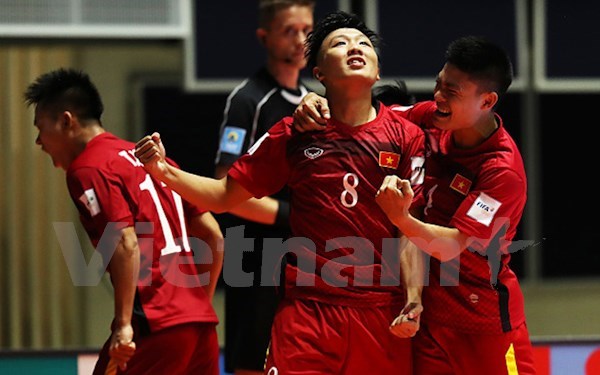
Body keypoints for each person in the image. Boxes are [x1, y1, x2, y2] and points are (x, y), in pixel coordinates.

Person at [135, 11, 425, 375]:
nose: (355, 47)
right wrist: (163, 171)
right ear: (318, 73)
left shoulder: (407, 137)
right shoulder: (292, 134)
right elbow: (224, 194)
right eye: (340, 43)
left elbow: (410, 231)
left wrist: (414, 298)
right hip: (308, 313)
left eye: (364, 44)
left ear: (378, 71)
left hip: (381, 314)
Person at [293, 35, 536, 374]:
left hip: (484, 323)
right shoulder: (430, 119)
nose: (438, 97)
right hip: (429, 321)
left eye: (452, 92)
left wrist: (401, 218)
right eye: (439, 84)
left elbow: (453, 245)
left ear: (487, 101)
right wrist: (316, 104)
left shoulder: (502, 171)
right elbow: (364, 117)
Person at [25, 68, 224, 375]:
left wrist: (123, 326)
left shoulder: (88, 168)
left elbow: (125, 242)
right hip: (201, 328)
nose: (39, 141)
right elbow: (214, 236)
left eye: (41, 128)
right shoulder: (157, 161)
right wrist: (198, 306)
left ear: (66, 121)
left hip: (155, 327)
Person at [212, 1, 315, 373]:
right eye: (290, 30)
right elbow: (225, 187)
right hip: (255, 255)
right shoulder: (247, 101)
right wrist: (290, 215)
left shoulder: (314, 103)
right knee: (252, 361)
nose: (302, 40)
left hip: (304, 254)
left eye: (307, 29)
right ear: (264, 37)